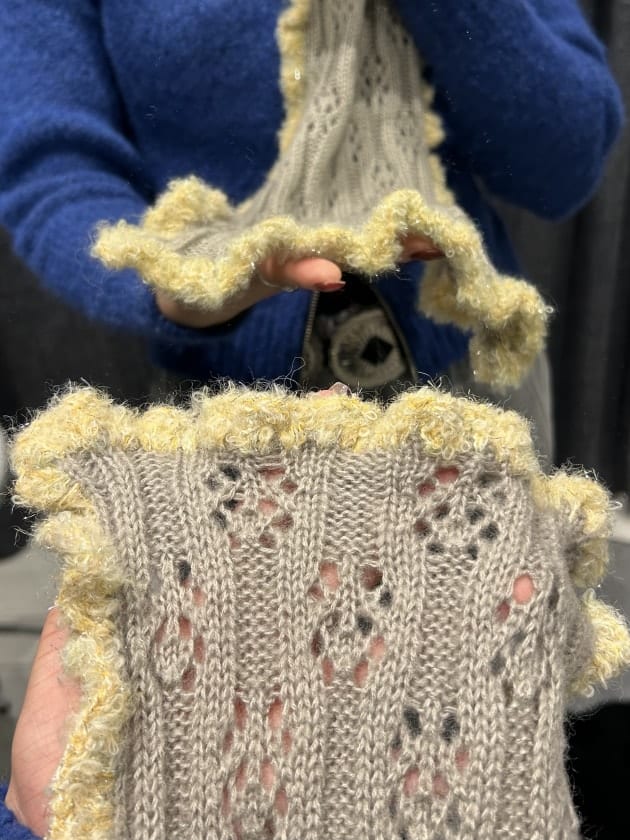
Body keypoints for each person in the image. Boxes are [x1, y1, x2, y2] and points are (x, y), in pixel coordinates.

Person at [0, 1, 623, 836]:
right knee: (227, 767)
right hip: (224, 433)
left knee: (475, 754)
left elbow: (566, 159)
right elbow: (52, 166)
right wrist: (180, 283)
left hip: (461, 415)